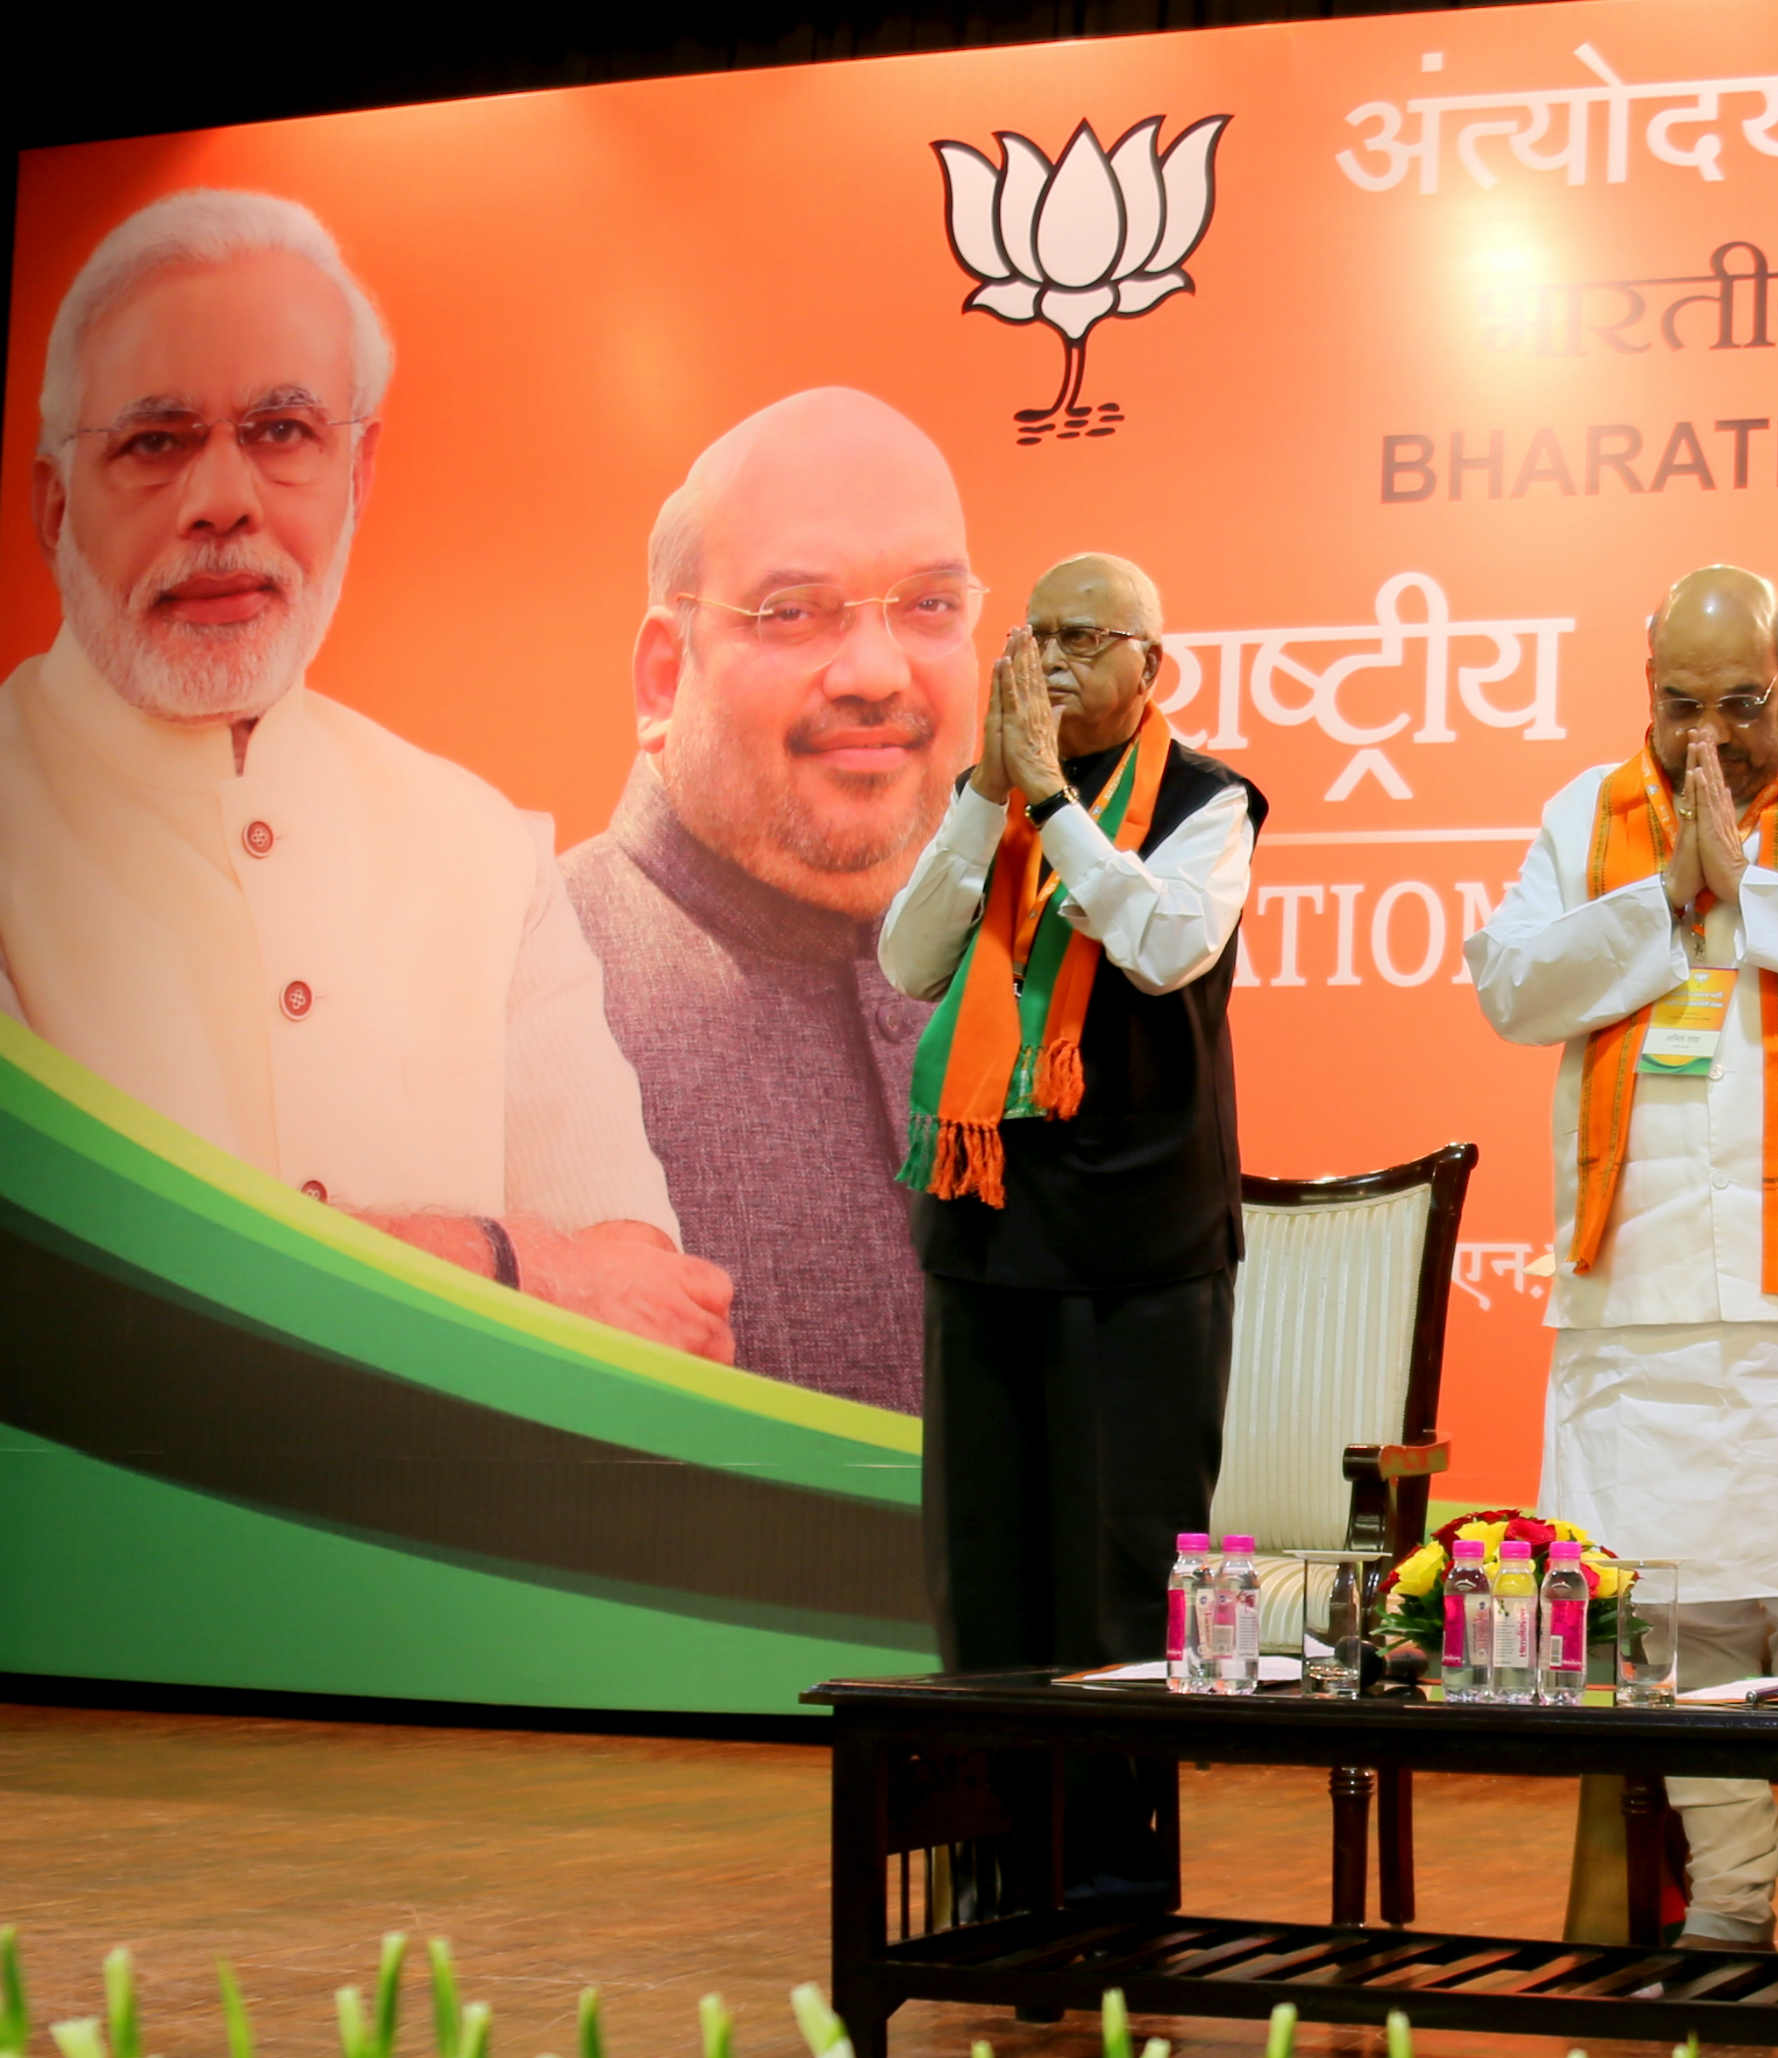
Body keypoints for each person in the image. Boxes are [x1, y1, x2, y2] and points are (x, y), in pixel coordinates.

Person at [0, 188, 724, 1357]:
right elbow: (63, 1306)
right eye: (154, 439)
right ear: (51, 504)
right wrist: (504, 1261)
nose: (224, 500)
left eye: (282, 431)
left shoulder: (482, 847)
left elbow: (657, 1319)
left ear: (358, 471)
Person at [1466, 566, 1778, 1952]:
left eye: (1741, 704)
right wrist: (1662, 904)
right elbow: (1513, 986)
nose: (1709, 737)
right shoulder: (1585, 813)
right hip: (1648, 1291)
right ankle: (1733, 1897)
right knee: (1678, 1613)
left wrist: (1749, 895)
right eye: (1679, 704)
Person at [882, 552, 1263, 1896]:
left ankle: (1105, 1884)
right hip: (987, 1224)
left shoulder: (1211, 804)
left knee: (1114, 1585)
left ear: (1151, 664)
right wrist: (991, 798)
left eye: (1083, 635)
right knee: (986, 1581)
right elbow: (908, 959)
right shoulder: (986, 799)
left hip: (1138, 1249)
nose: (1048, 658)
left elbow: (1163, 947)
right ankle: (994, 1876)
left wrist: (1052, 802)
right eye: (1033, 631)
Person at [565, 389, 985, 1411]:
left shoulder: (1044, 987)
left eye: (931, 606)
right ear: (666, 678)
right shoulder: (523, 977)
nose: (879, 671)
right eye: (794, 612)